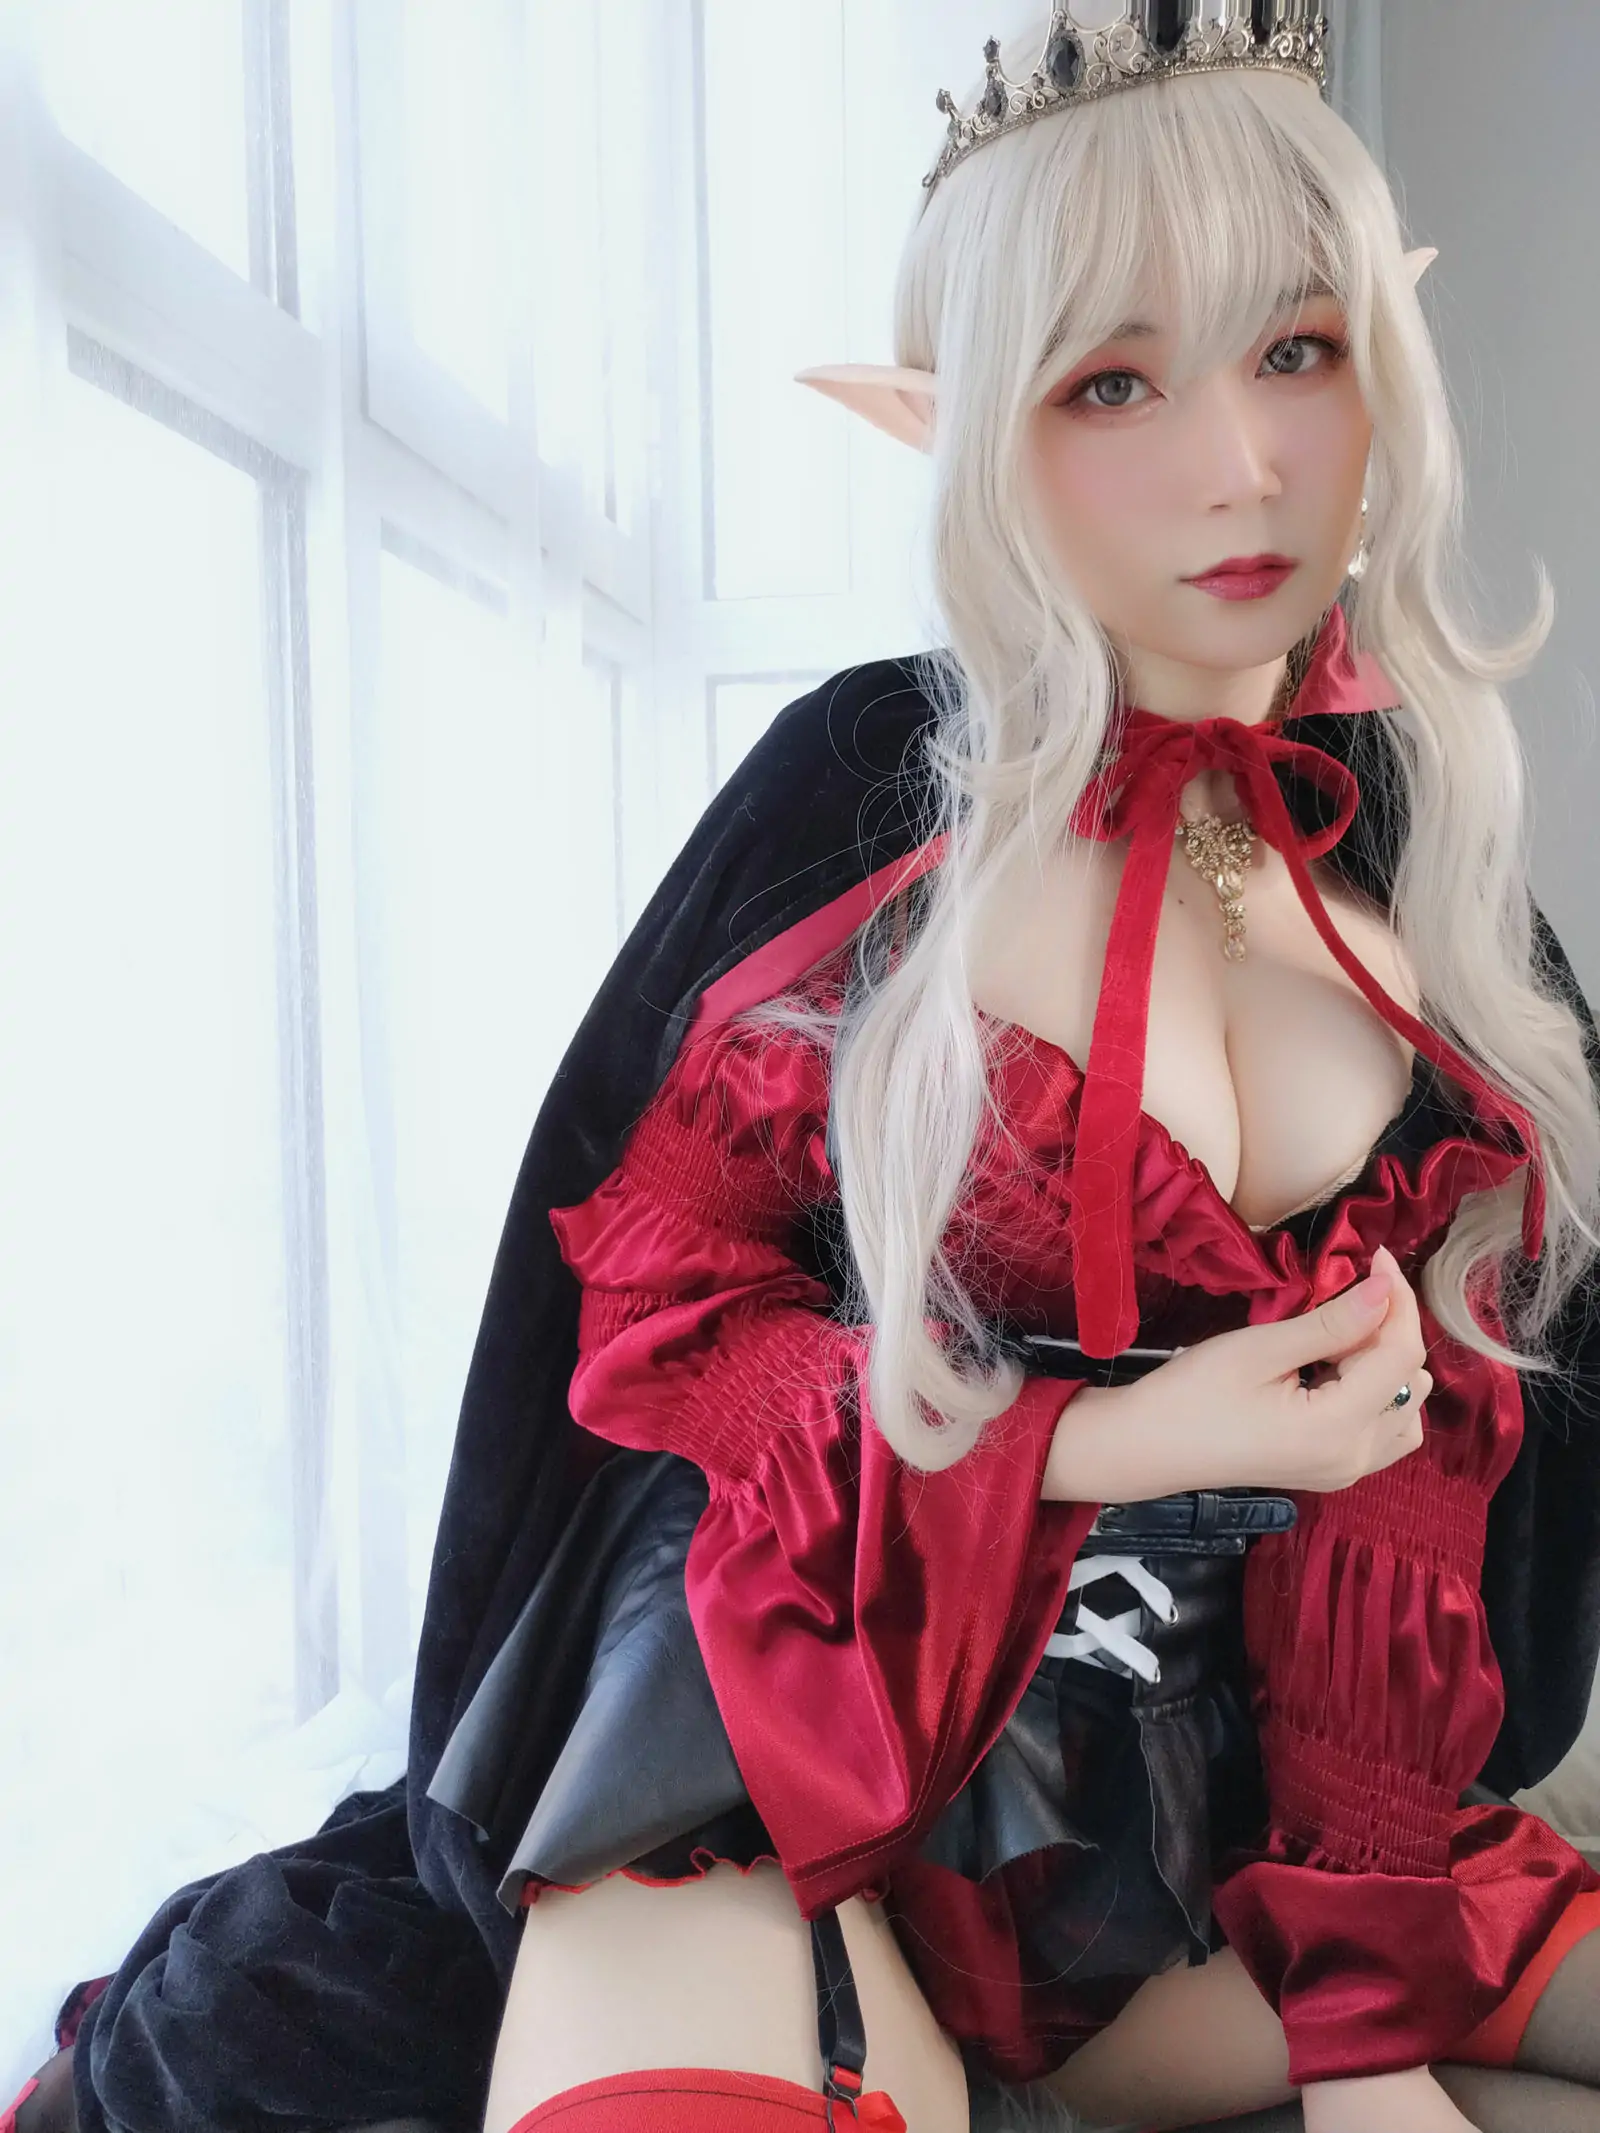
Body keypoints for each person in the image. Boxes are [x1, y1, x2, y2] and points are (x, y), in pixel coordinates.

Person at [11, 7, 1600, 2133]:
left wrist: (1364, 2042)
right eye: (1111, 382)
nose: (1238, 462)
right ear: (947, 430)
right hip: (791, 1735)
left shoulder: (1415, 860)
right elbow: (658, 1339)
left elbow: (1445, 1467)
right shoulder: (861, 794)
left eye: (1294, 349)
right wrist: (1100, 1440)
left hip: (1205, 1834)